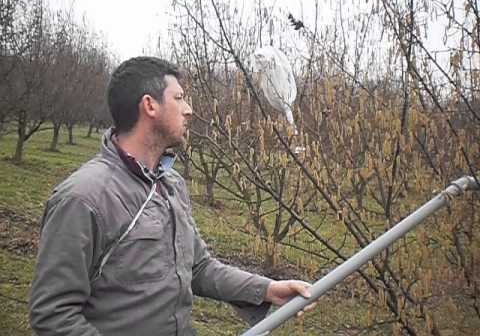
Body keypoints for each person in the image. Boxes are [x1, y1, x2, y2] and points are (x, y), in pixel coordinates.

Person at [29, 56, 315, 336]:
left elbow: (199, 267)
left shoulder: (170, 184)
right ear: (149, 105)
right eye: (179, 98)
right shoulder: (83, 198)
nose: (188, 109)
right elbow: (54, 314)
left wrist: (266, 289)